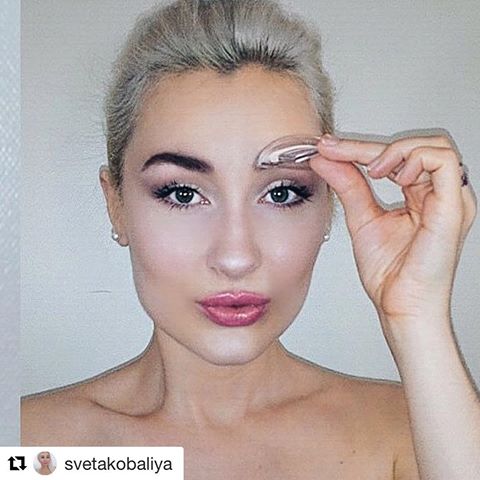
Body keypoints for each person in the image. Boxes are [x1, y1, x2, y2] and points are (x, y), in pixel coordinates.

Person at [21, 0, 480, 478]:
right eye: (183, 193)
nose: (236, 257)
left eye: (281, 193)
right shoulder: (29, 451)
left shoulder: (410, 434)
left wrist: (418, 316)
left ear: (328, 202)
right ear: (115, 203)